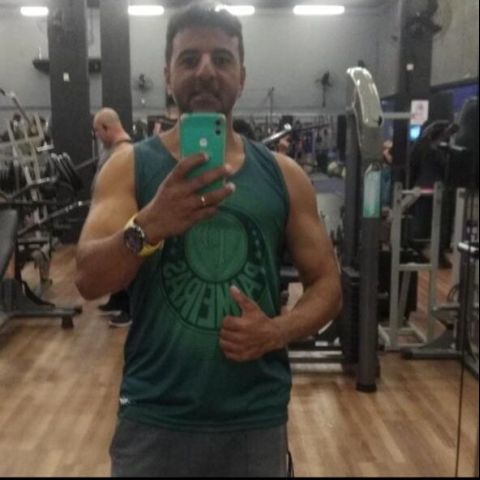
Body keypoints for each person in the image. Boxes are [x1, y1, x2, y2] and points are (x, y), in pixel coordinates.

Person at [76, 3, 341, 477]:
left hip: (254, 416)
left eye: (221, 59)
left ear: (242, 76)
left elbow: (328, 284)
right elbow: (88, 279)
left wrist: (277, 331)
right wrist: (148, 226)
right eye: (189, 59)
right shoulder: (129, 167)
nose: (205, 71)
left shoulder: (284, 175)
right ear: (167, 74)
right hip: (154, 414)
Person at [92, 107, 133, 327]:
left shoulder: (124, 152)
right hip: (111, 216)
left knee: (124, 263)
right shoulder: (112, 150)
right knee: (113, 264)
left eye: (97, 131)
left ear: (106, 127)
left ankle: (128, 309)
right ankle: (117, 299)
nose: (97, 136)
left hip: (121, 218)